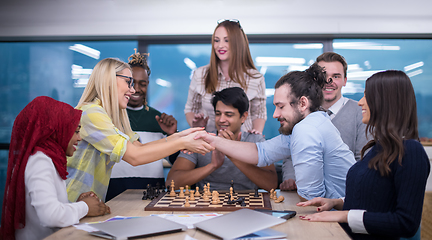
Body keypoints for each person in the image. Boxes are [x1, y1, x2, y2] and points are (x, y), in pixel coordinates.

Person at [298, 70, 430, 240]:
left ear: (386, 101)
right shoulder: (379, 147)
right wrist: (337, 203)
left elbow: (406, 223)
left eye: (367, 96)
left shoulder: (411, 151)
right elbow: (377, 199)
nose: (360, 102)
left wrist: (344, 215)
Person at [195, 63, 356, 201]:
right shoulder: (311, 123)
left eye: (281, 106)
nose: (275, 114)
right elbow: (261, 153)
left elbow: (311, 198)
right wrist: (210, 139)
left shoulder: (306, 129)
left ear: (302, 103)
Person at [66, 58, 214, 203]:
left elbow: (139, 147)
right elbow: (135, 157)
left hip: (87, 203)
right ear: (109, 80)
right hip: (73, 202)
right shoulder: (91, 113)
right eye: (128, 82)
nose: (132, 89)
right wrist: (183, 142)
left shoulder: (111, 117)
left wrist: (181, 135)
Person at [0, 96, 109, 240]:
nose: (79, 138)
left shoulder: (48, 159)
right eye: (76, 131)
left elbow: (47, 212)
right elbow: (51, 217)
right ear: (56, 130)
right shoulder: (39, 161)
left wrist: (76, 204)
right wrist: (85, 207)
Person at [280, 52, 368, 191]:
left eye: (336, 76)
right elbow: (291, 153)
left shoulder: (361, 112)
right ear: (315, 81)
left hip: (346, 196)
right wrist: (290, 178)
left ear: (345, 80)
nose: (329, 81)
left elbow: (363, 160)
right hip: (304, 194)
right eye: (324, 76)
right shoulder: (302, 111)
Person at [168, 87, 277, 191]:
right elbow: (171, 183)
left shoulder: (255, 141)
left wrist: (233, 155)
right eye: (218, 114)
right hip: (206, 206)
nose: (221, 120)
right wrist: (212, 166)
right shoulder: (200, 140)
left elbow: (271, 184)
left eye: (229, 115)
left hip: (246, 206)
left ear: (243, 117)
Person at [106, 50, 179, 201]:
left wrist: (172, 134)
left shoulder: (159, 119)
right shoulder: (107, 117)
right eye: (131, 83)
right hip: (113, 192)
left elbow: (177, 163)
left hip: (152, 193)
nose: (136, 89)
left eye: (143, 84)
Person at [185, 19, 267, 134]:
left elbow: (259, 114)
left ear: (238, 43)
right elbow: (190, 109)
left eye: (227, 40)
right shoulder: (200, 74)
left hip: (242, 145)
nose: (220, 46)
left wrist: (255, 136)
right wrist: (196, 127)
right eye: (216, 41)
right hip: (208, 144)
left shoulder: (255, 78)